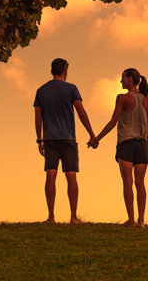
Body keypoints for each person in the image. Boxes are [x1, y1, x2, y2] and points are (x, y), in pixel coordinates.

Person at [34, 58, 96, 224]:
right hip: (68, 138)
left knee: (51, 174)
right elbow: (82, 113)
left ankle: (51, 217)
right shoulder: (71, 89)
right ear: (65, 72)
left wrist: (39, 139)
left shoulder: (41, 90)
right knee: (71, 175)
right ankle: (74, 217)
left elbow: (38, 117)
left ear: (51, 71)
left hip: (49, 138)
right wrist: (91, 134)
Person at [89, 68, 148, 228]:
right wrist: (146, 145)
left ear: (130, 79)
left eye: (123, 78)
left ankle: (131, 220)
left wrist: (97, 138)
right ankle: (141, 221)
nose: (121, 81)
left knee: (127, 182)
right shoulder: (146, 100)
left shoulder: (122, 98)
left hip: (126, 143)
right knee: (140, 183)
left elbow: (113, 122)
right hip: (142, 144)